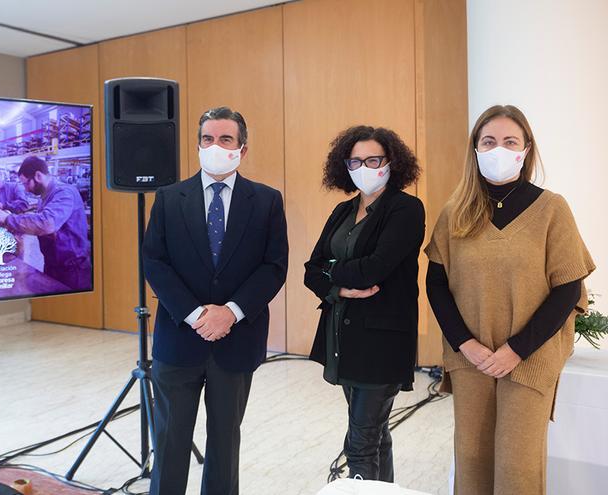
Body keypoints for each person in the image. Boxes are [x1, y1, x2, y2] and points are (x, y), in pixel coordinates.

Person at [425, 105, 595, 494]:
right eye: (488, 141)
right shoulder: (456, 213)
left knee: (517, 466)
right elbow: (436, 284)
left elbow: (567, 288)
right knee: (472, 461)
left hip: (529, 357)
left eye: (509, 141)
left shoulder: (552, 209)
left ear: (525, 149)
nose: (498, 149)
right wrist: (466, 345)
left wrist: (515, 350)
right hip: (472, 359)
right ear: (475, 149)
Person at [142, 107, 288, 495]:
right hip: (178, 340)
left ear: (242, 148)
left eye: (225, 139)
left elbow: (273, 267)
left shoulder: (267, 201)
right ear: (197, 144)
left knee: (225, 444)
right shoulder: (169, 198)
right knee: (170, 442)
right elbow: (154, 263)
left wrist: (231, 313)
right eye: (207, 138)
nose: (215, 146)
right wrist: (195, 314)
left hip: (237, 341)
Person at [303, 126, 425, 482]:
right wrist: (338, 288)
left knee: (359, 443)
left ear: (391, 162)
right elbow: (311, 271)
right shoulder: (343, 211)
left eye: (373, 159)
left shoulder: (406, 209)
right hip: (343, 336)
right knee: (374, 434)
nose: (364, 167)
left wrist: (332, 271)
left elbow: (376, 268)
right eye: (355, 160)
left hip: (383, 341)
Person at [0, 156, 91, 290]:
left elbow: (47, 223)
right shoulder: (44, 197)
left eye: (26, 183)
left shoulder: (64, 192)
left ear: (38, 175)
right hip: (53, 264)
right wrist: (22, 227)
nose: (25, 189)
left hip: (73, 269)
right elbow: (42, 221)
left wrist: (8, 219)